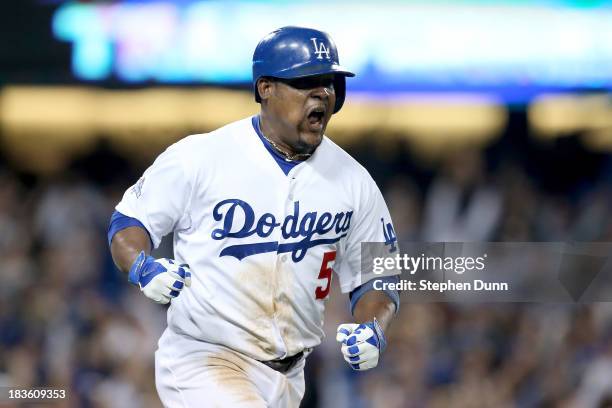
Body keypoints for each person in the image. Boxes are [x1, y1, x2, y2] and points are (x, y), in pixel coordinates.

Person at [108, 26, 400, 407]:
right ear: (265, 88)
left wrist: (373, 327)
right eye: (305, 82)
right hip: (204, 358)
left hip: (291, 376)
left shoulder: (354, 181)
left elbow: (377, 275)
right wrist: (143, 267)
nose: (322, 94)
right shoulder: (201, 156)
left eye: (328, 82)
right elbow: (128, 223)